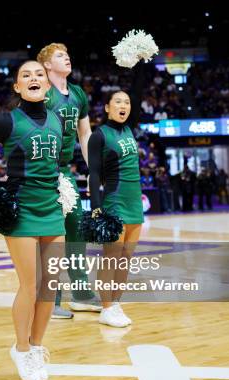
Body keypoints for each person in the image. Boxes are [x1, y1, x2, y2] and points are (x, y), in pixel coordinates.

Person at [0, 60, 64, 380]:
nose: (33, 78)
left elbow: (55, 166)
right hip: (20, 210)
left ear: (47, 84)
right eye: (26, 75)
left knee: (51, 286)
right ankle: (21, 349)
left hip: (51, 209)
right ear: (17, 87)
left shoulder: (57, 120)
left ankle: (36, 346)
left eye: (39, 74)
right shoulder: (6, 121)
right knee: (30, 284)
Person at [37, 43, 101, 319]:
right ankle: (49, 300)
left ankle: (81, 293)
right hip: (42, 171)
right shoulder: (41, 90)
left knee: (76, 229)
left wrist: (93, 169)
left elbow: (85, 134)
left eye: (68, 54)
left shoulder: (76, 93)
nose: (67, 58)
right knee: (51, 236)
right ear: (47, 65)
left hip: (65, 170)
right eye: (60, 56)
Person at [87, 63, 146, 328]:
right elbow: (94, 174)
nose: (123, 106)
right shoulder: (100, 135)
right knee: (111, 256)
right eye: (118, 102)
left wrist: (140, 62)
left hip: (135, 204)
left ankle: (117, 303)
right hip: (115, 203)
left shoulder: (129, 130)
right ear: (108, 107)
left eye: (127, 102)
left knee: (126, 258)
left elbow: (139, 89)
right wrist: (97, 207)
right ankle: (106, 306)